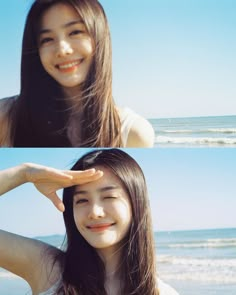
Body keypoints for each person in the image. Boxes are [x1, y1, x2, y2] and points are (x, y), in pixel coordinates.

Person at [0, 149, 179, 295]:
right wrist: (24, 173)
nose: (94, 212)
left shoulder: (162, 292)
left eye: (109, 196)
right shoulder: (48, 269)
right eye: (82, 201)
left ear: (136, 203)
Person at [0, 0, 154, 147]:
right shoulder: (7, 117)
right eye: (47, 39)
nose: (62, 50)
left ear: (98, 36)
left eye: (75, 32)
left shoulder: (133, 133)